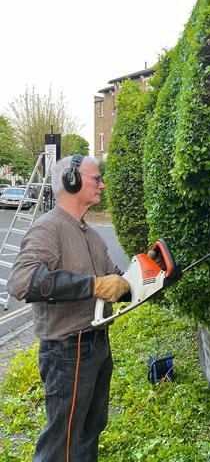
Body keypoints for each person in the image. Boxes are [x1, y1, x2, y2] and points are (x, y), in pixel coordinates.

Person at [7, 155, 162, 462]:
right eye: (96, 179)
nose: (102, 185)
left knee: (89, 432)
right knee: (59, 444)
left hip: (98, 347)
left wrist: (149, 272)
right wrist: (92, 285)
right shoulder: (49, 228)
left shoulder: (91, 236)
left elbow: (118, 285)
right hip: (67, 352)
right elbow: (22, 282)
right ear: (71, 181)